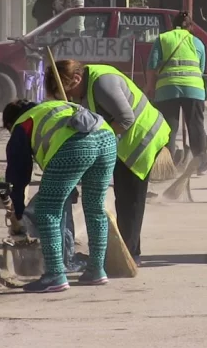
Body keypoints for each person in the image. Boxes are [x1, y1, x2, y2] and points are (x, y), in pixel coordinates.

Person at [44, 60, 171, 264]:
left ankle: (129, 255)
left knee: (130, 200)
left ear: (77, 78)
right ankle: (126, 251)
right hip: (126, 142)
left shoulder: (102, 82)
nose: (70, 97)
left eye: (69, 91)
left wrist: (97, 141)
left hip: (143, 138)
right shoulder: (86, 86)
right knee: (123, 198)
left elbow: (126, 119)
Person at [2, 99, 116, 292]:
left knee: (46, 210)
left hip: (75, 146)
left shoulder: (23, 124)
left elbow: (18, 176)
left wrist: (18, 210)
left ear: (8, 124)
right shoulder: (53, 108)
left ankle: (54, 275)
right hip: (106, 138)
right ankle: (96, 270)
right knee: (95, 208)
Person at [146, 11, 207, 175]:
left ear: (172, 25)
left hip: (167, 89)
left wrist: (150, 87)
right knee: (196, 127)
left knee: (168, 129)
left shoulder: (162, 39)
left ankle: (166, 166)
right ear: (190, 26)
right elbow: (200, 70)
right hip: (194, 89)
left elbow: (152, 67)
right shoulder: (198, 43)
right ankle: (201, 165)